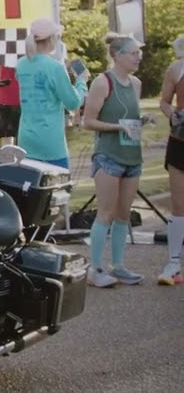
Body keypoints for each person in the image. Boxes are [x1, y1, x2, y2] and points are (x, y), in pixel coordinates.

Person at [81, 32, 150, 288]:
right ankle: (96, 268)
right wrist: (117, 128)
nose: (138, 57)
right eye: (133, 53)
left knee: (123, 214)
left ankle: (118, 266)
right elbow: (87, 121)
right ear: (118, 56)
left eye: (138, 53)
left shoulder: (136, 84)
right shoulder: (102, 82)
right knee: (106, 213)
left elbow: (130, 117)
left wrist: (141, 123)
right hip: (108, 157)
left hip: (132, 156)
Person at [14, 17, 88, 169]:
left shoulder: (21, 65)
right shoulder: (55, 68)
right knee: (58, 189)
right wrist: (82, 81)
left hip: (26, 139)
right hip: (50, 143)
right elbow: (73, 102)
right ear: (51, 39)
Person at [155, 35, 184, 285]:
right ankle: (174, 262)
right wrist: (172, 114)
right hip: (179, 143)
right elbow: (164, 102)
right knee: (178, 203)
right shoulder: (176, 68)